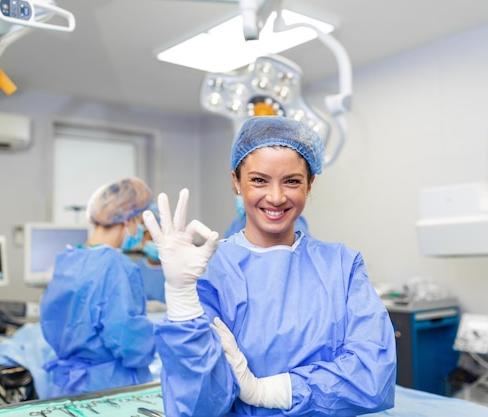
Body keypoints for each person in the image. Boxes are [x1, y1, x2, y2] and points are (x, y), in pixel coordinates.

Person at [144, 116, 396, 416]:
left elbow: (373, 378)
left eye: (291, 181)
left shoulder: (343, 266)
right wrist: (181, 296)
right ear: (236, 182)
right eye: (259, 180)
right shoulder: (209, 271)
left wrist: (266, 391)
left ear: (310, 183)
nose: (276, 197)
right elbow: (199, 406)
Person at [40, 177, 156, 398]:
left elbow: (52, 322)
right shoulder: (116, 267)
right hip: (107, 388)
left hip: (65, 386)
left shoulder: (67, 260)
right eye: (140, 222)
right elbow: (129, 342)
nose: (140, 229)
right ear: (128, 221)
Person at [224, 186, 311, 238]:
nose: (276, 199)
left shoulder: (295, 228)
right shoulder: (236, 225)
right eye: (238, 193)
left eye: (292, 181)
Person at [135, 204, 167, 308]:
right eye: (152, 238)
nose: (156, 243)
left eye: (160, 238)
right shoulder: (134, 270)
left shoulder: (179, 270)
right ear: (142, 239)